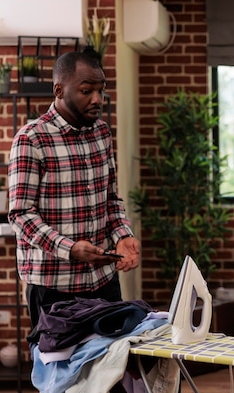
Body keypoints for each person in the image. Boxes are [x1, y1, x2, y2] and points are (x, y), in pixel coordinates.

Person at [8, 50, 140, 330]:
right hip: (54, 289)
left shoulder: (101, 133)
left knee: (111, 372)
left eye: (100, 90)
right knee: (61, 374)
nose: (97, 99)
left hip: (104, 282)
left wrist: (122, 235)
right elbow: (21, 215)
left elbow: (111, 199)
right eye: (86, 90)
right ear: (59, 90)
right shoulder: (31, 139)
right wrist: (70, 249)